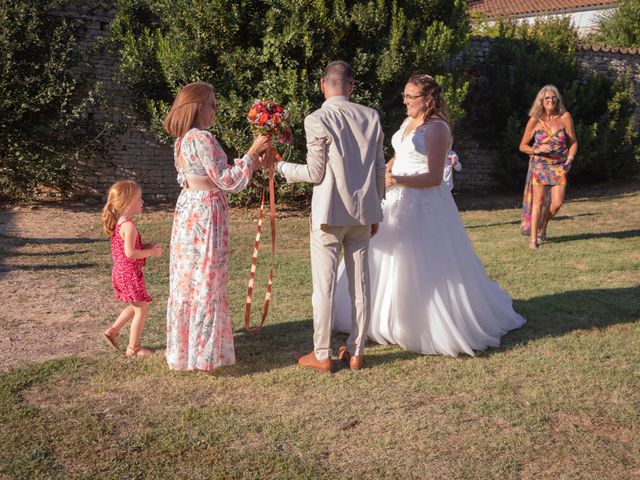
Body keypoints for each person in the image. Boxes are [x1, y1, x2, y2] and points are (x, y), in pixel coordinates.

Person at [333, 74, 525, 357]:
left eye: (411, 97)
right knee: (385, 257)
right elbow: (397, 157)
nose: (405, 101)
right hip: (394, 201)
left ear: (428, 100)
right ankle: (382, 318)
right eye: (405, 95)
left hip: (423, 203)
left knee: (420, 262)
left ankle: (419, 322)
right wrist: (380, 175)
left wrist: (397, 180)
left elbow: (435, 176)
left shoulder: (437, 130)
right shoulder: (408, 123)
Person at [275, 60, 385, 372]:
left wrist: (281, 167)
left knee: (323, 286)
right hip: (363, 212)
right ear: (351, 86)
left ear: (324, 85)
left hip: (329, 214)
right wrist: (377, 209)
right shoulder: (372, 116)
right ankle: (356, 351)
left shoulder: (317, 118)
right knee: (361, 284)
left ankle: (322, 353)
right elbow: (379, 167)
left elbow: (314, 172)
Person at [163, 81, 270, 371]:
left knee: (190, 278)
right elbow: (225, 181)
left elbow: (212, 175)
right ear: (197, 106)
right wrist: (251, 151)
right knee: (207, 277)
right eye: (211, 103)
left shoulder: (182, 140)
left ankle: (186, 350)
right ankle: (205, 354)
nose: (215, 109)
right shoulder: (202, 138)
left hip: (189, 209)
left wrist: (252, 164)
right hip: (205, 213)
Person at [102, 180, 162, 357]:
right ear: (126, 202)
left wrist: (146, 245)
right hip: (129, 273)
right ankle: (133, 348)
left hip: (121, 272)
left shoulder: (120, 223)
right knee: (141, 309)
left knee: (136, 305)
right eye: (138, 199)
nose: (142, 202)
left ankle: (112, 331)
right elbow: (130, 253)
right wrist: (151, 252)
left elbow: (128, 247)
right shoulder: (128, 226)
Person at [519, 85, 578, 249]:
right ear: (541, 101)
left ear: (557, 99)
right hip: (541, 165)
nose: (550, 101)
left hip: (559, 165)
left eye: (553, 98)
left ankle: (542, 225)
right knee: (538, 201)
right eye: (547, 98)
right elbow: (522, 146)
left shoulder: (565, 117)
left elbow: (573, 142)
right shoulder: (535, 120)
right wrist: (536, 149)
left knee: (558, 202)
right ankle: (533, 240)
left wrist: (570, 158)